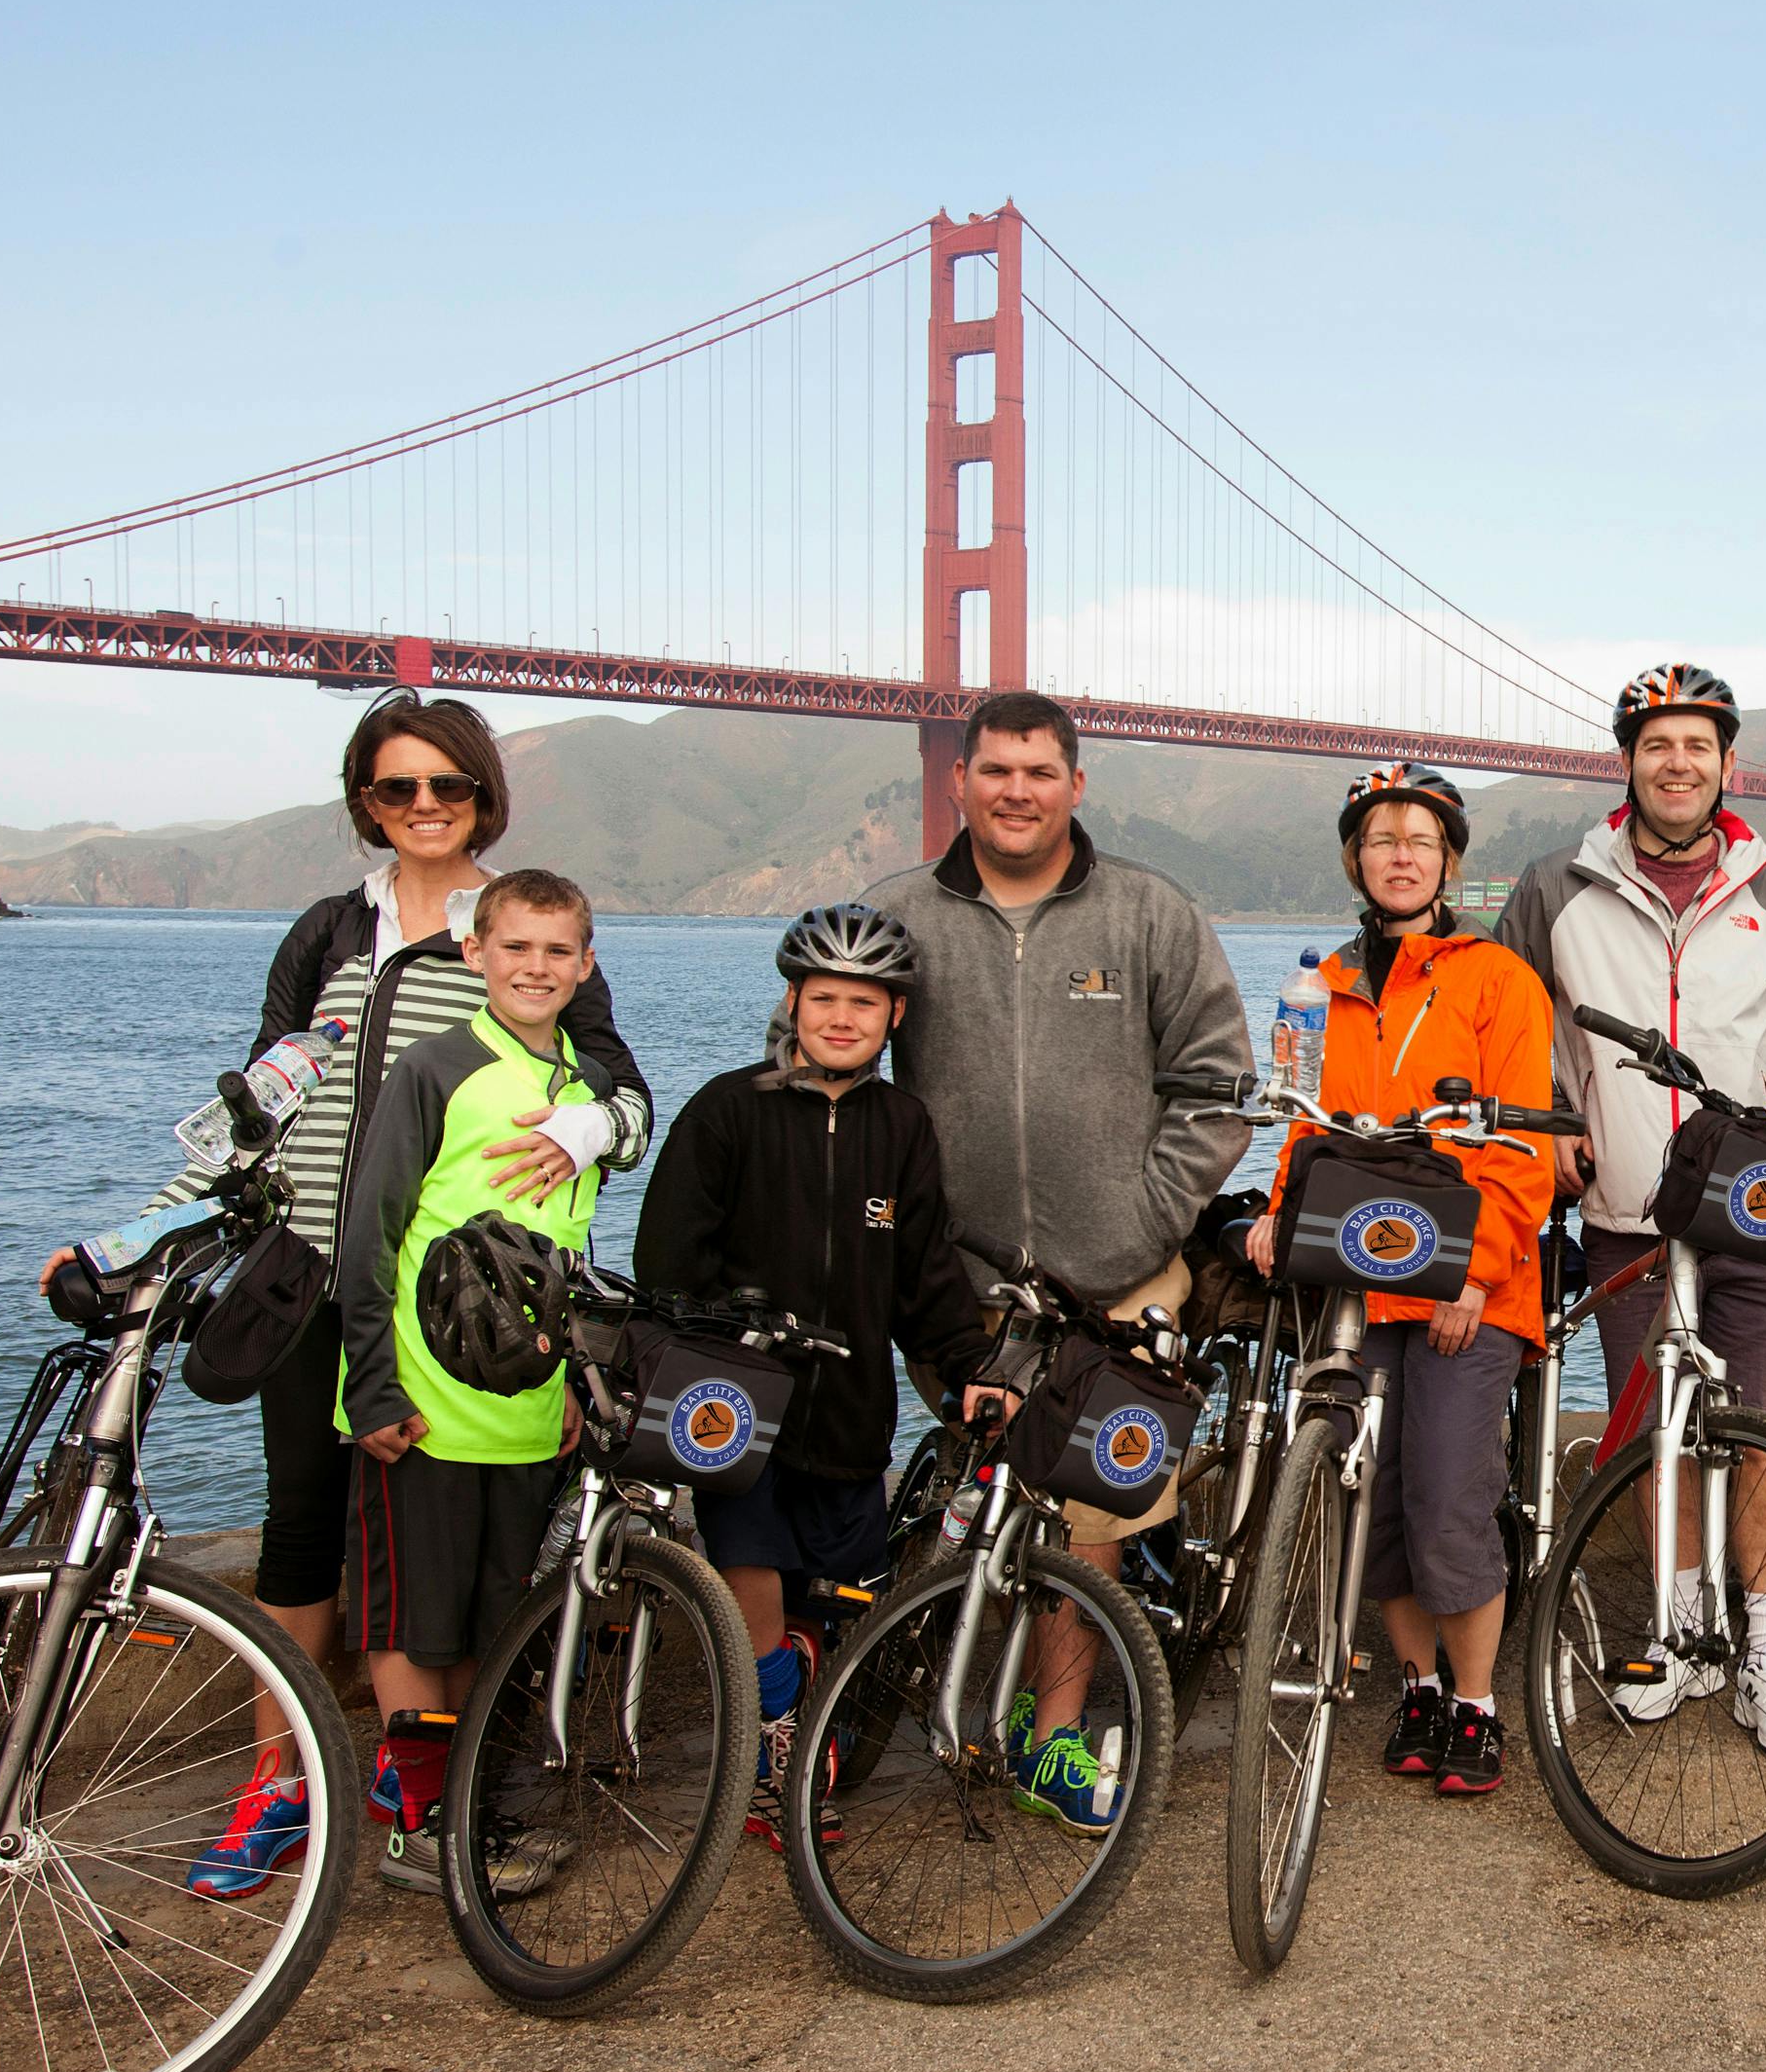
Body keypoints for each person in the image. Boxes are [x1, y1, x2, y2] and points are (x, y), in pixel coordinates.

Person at [161, 691, 650, 1903]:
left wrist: (589, 1129)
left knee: (447, 1558)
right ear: (366, 802)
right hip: (310, 1269)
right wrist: (150, 1225)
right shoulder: (330, 930)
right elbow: (262, 1095)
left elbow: (624, 1095)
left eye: (447, 785)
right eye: (397, 786)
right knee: (300, 1526)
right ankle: (276, 1783)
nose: (424, 805)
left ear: (484, 796)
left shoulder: (523, 928)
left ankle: (418, 1789)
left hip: (451, 1304)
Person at [862, 689, 1255, 1832]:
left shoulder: (1149, 911)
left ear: (1076, 785)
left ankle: (1057, 1739)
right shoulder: (897, 915)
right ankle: (930, 1688)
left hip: (1118, 1281)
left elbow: (1217, 1087)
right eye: (996, 769)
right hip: (963, 1284)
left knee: (1083, 1517)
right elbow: (825, 1064)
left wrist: (1143, 1219)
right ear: (959, 781)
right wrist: (894, 1229)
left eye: (1040, 771)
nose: (1017, 791)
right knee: (991, 1497)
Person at [1495, 662, 1766, 1758]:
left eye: (1697, 746)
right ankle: (1678, 1640)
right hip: (1625, 1207)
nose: (1677, 763)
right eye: (1657, 744)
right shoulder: (1555, 886)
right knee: (1654, 1437)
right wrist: (1548, 1119)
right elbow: (1511, 1021)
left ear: (1725, 763)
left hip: (1754, 1203)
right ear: (1627, 760)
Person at [634, 904, 1006, 1849]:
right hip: (741, 1406)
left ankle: (800, 1700)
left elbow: (925, 1272)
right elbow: (667, 1258)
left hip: (850, 1406)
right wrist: (721, 1332)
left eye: (865, 1003)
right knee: (750, 1562)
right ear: (793, 1002)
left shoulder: (902, 1125)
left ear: (895, 1016)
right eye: (825, 998)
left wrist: (970, 1366)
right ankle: (773, 1754)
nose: (843, 1018)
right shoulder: (728, 1108)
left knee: (835, 1599)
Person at [1240, 767, 1554, 1796]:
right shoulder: (1320, 985)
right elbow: (1304, 1122)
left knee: (1449, 1494)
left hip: (1469, 1285)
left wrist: (1475, 1270)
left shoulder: (1499, 979)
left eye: (1421, 838)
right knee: (1368, 1498)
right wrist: (1280, 1210)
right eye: (1382, 838)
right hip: (1357, 1271)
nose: (1401, 854)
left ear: (1448, 861)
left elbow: (1523, 1151)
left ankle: (1477, 1702)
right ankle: (1416, 1684)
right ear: (1356, 858)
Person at [333, 868, 618, 1896]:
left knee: (492, 1630)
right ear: (475, 953)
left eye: (557, 950)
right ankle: (421, 1829)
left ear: (585, 965)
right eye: (516, 947)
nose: (535, 967)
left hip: (528, 1412)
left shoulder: (585, 1087)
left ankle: (470, 1816)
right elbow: (368, 1231)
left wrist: (574, 1384)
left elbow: (565, 1253)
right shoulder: (435, 1067)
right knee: (414, 1623)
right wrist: (372, 1387)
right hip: (426, 1407)